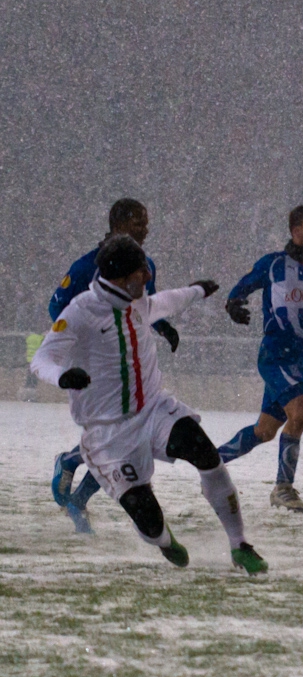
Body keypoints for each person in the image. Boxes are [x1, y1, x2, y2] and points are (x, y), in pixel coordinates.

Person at [31, 236, 267, 574]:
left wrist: (196, 291)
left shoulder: (136, 299)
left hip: (154, 410)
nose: (148, 275)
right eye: (141, 270)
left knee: (205, 453)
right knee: (150, 522)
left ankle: (240, 544)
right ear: (121, 277)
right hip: (108, 434)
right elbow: (41, 358)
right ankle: (164, 540)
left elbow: (164, 302)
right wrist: (63, 376)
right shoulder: (80, 312)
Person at [217, 205, 303, 513]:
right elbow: (241, 288)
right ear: (296, 231)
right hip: (276, 354)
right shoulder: (273, 264)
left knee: (265, 431)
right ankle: (283, 489)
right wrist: (233, 305)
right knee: (302, 412)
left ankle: (210, 461)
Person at [49, 199, 178, 534]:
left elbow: (144, 307)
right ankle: (73, 471)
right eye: (138, 223)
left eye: (146, 222)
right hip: (97, 365)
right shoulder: (86, 267)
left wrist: (163, 327)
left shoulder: (146, 265)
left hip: (132, 364)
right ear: (119, 225)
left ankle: (76, 486)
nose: (145, 229)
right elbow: (56, 308)